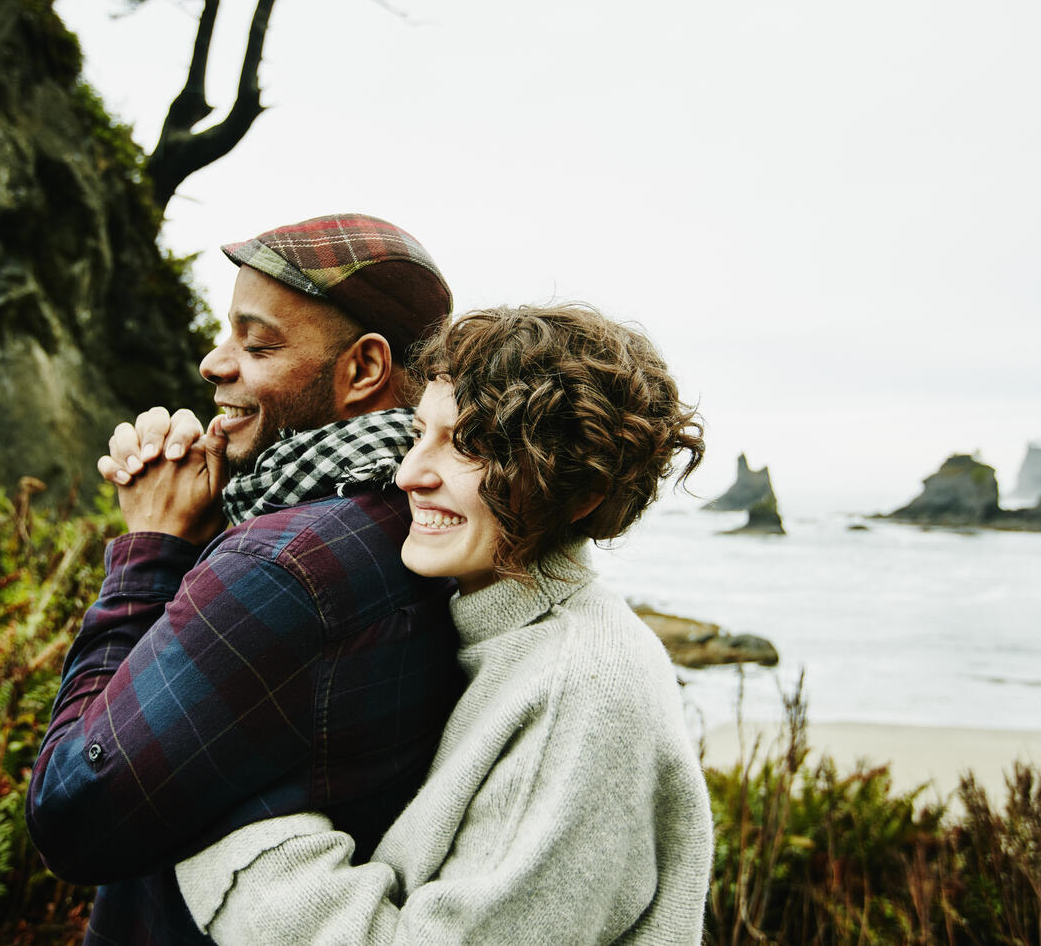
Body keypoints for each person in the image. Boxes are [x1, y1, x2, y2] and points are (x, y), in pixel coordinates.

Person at [172, 304, 716, 944]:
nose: (408, 473)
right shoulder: (478, 623)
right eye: (418, 433)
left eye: (465, 446)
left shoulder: (583, 689)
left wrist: (223, 810)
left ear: (578, 490)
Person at [26, 214, 467, 945]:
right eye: (225, 331)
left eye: (256, 343)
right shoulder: (416, 518)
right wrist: (205, 532)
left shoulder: (283, 564)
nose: (213, 363)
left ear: (363, 369)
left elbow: (73, 814)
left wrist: (153, 546)